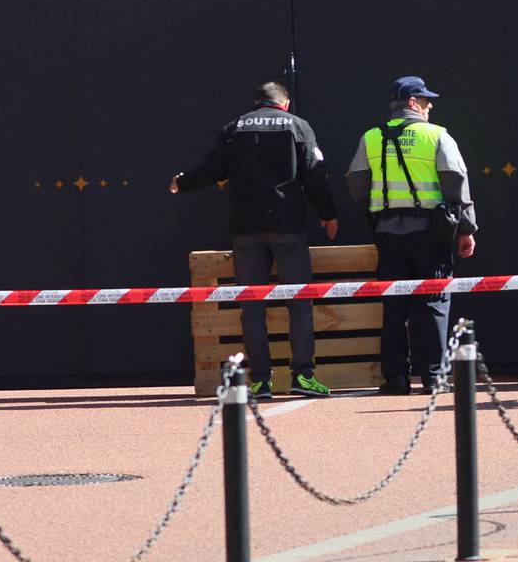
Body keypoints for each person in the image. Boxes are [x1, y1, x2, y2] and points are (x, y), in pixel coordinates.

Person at [172, 82, 340, 398]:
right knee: (300, 304)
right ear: (285, 103)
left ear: (256, 102)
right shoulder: (298, 126)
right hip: (288, 228)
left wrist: (182, 183)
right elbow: (316, 174)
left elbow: (210, 169)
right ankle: (302, 377)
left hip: (246, 230)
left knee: (251, 307)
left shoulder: (236, 127)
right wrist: (328, 213)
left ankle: (260, 380)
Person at [345, 76, 477, 396]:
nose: (431, 105)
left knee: (394, 307)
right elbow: (457, 184)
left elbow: (357, 186)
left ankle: (396, 379)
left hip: (388, 234)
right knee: (433, 304)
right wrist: (467, 229)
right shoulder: (436, 136)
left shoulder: (371, 138)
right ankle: (433, 377)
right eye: (426, 100)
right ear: (413, 104)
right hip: (432, 234)